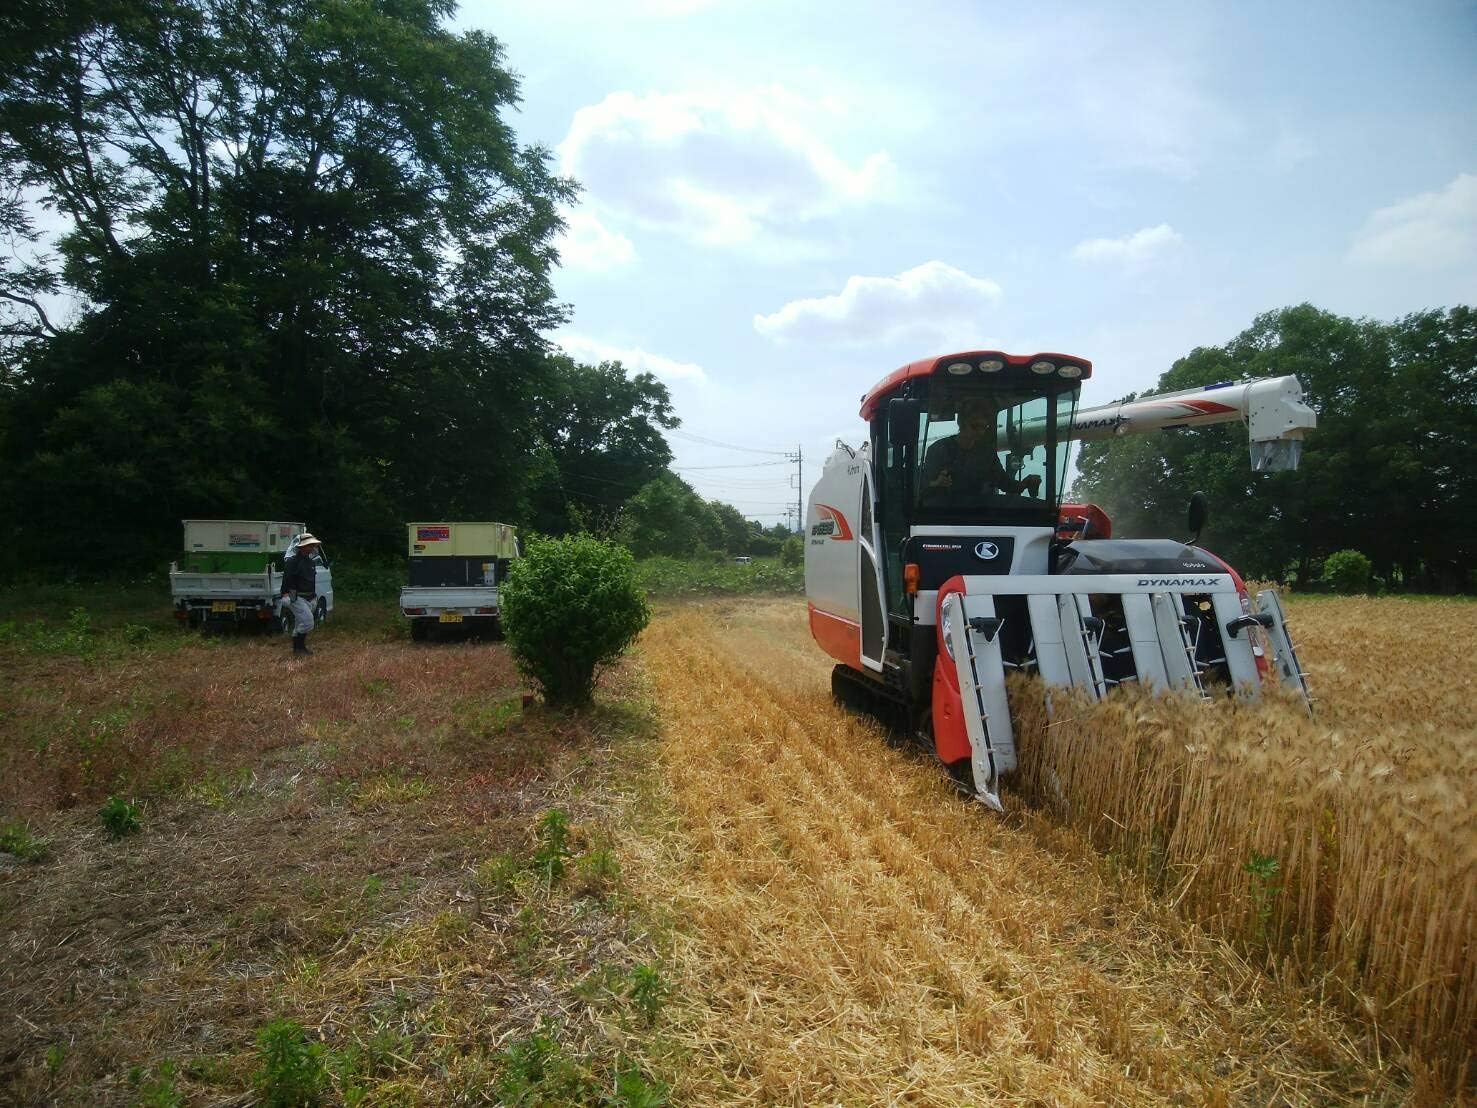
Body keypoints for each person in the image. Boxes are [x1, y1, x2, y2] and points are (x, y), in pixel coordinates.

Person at [921, 398, 1042, 498]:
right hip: (943, 515)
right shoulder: (939, 450)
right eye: (975, 426)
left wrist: (1026, 482)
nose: (979, 432)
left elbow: (1006, 484)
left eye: (984, 427)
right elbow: (921, 486)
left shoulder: (987, 454)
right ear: (962, 423)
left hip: (981, 515)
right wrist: (937, 483)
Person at [280, 533, 321, 656]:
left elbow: (310, 581)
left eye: (312, 545)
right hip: (297, 597)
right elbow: (288, 579)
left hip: (309, 596)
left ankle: (298, 649)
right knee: (308, 622)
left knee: (300, 622)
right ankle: (299, 648)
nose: (311, 548)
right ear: (302, 547)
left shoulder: (311, 562)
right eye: (309, 545)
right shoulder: (292, 562)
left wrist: (314, 596)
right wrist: (287, 595)